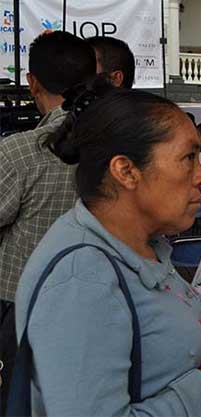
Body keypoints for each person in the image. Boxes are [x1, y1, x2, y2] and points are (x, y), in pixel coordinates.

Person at [15, 82, 201, 416]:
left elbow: (142, 353)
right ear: (126, 171)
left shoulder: (137, 244)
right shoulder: (81, 281)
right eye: (188, 158)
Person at [0, 31, 96, 413]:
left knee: (17, 402)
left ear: (32, 82)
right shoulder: (116, 142)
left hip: (19, 305)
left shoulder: (21, 151)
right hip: (92, 298)